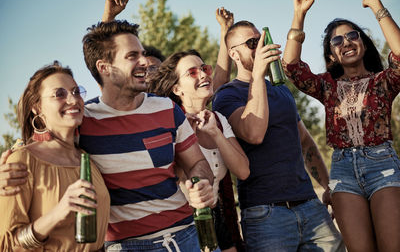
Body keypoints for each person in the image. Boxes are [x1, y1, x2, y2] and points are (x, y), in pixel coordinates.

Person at [80, 19, 214, 251]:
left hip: (188, 236)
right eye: (132, 56)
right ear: (104, 67)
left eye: (142, 53)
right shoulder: (83, 121)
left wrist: (201, 183)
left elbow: (198, 164)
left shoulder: (167, 109)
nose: (145, 62)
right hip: (126, 246)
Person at [283, 0, 400, 252]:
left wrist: (376, 8)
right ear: (331, 55)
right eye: (337, 41)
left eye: (351, 35)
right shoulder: (326, 86)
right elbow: (291, 67)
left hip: (383, 165)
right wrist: (299, 14)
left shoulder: (384, 81)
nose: (345, 42)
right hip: (343, 170)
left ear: (363, 43)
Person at [212, 19, 345, 251]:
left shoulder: (281, 89)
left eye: (262, 40)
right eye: (253, 43)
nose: (261, 47)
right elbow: (253, 134)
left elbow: (304, 141)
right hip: (266, 214)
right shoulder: (226, 95)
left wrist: (327, 187)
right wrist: (258, 75)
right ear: (234, 54)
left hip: (310, 207)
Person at [0, 61, 110, 251]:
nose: (73, 100)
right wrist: (58, 213)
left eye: (76, 92)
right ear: (37, 107)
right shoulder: (21, 161)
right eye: (59, 94)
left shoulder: (87, 159)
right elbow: (7, 245)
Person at [148, 47, 249, 252]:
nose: (203, 74)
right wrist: (186, 138)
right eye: (192, 72)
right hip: (179, 225)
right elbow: (166, 182)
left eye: (204, 68)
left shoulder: (218, 120)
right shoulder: (167, 125)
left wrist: (215, 133)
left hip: (215, 217)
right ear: (177, 89)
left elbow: (243, 171)